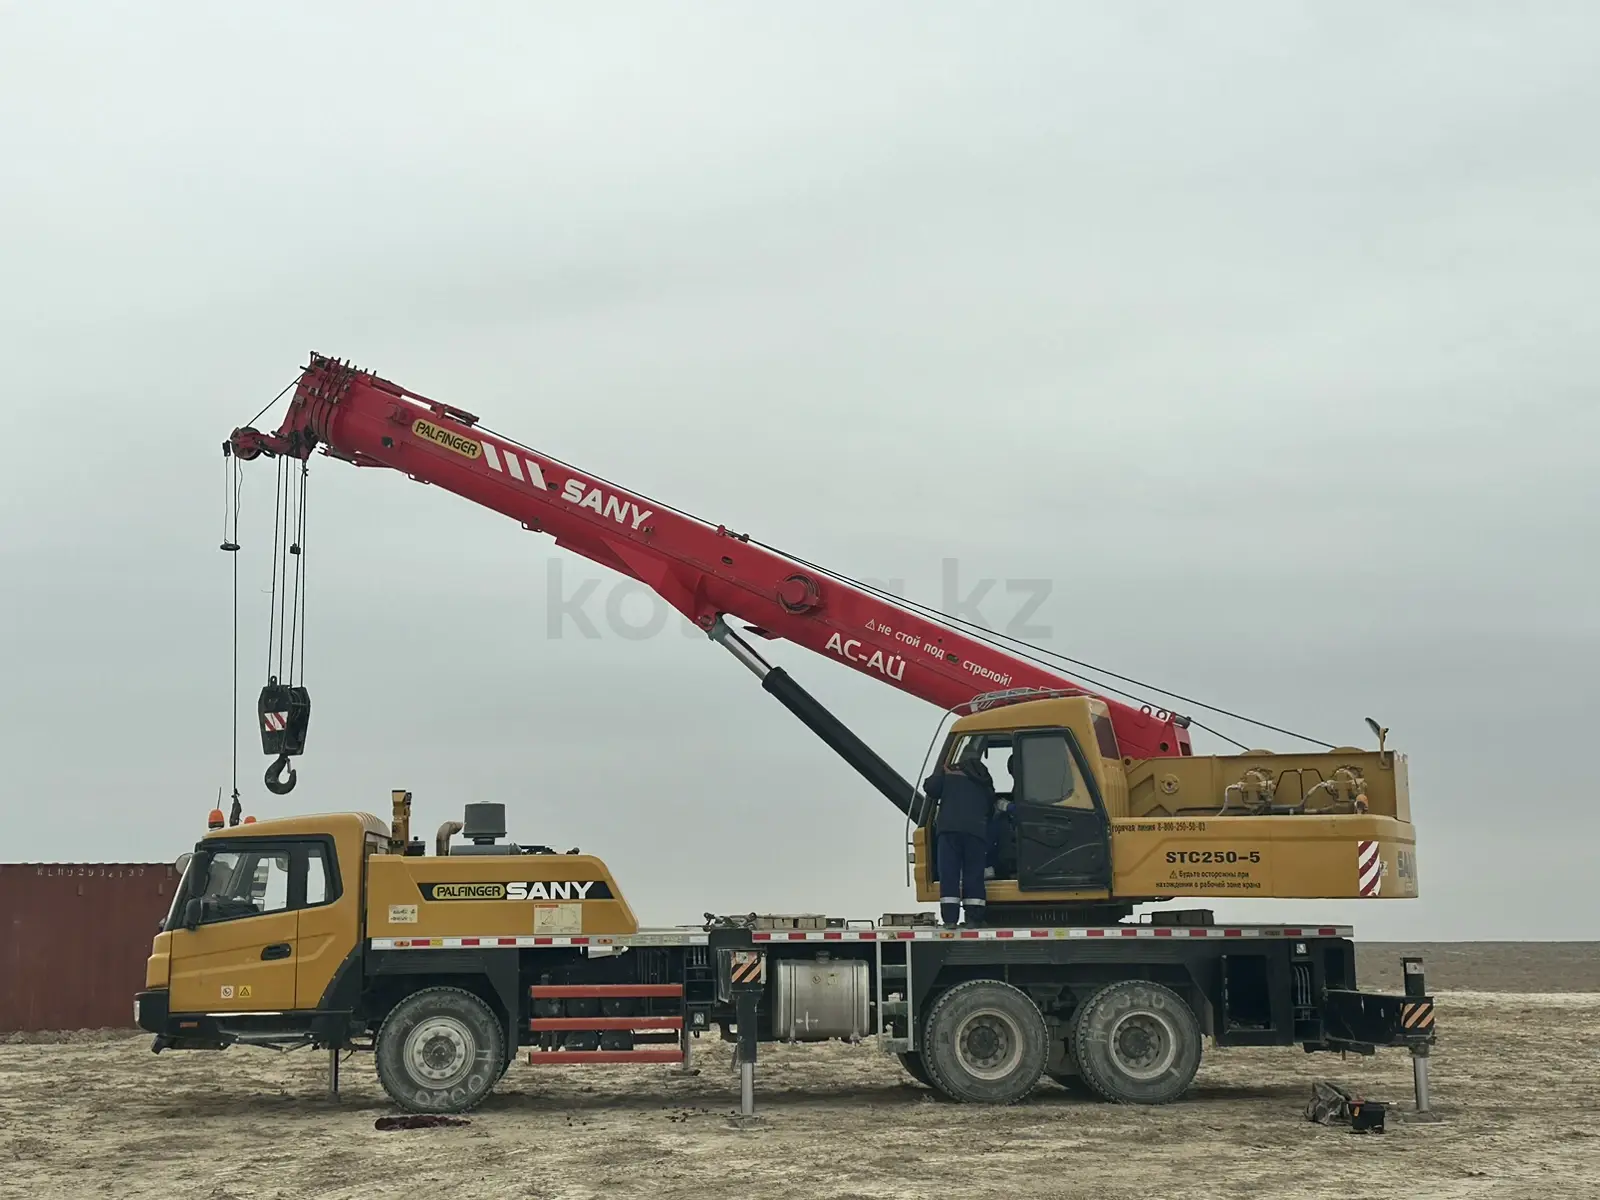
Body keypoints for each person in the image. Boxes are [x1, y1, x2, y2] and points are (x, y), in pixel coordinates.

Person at [923, 743, 996, 926]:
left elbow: (931, 788)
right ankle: (974, 918)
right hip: (976, 833)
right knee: (974, 874)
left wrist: (941, 771)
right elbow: (991, 806)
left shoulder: (950, 773)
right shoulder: (984, 778)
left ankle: (950, 919)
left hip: (949, 832)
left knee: (949, 874)